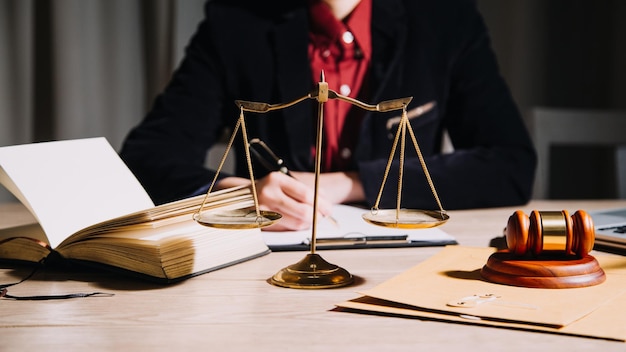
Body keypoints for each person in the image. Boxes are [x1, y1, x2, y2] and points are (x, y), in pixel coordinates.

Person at [120, 0, 537, 231]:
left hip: (399, 266)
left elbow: (510, 166)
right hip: (265, 277)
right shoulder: (235, 25)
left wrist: (351, 183)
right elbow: (145, 158)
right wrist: (244, 192)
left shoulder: (444, 20)